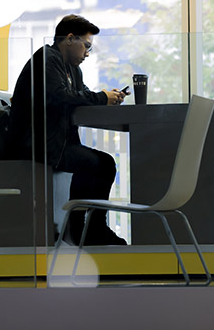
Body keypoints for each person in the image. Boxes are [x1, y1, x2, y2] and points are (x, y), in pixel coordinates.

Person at [9, 14, 127, 245]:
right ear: (70, 39)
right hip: (35, 143)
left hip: (57, 142)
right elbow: (60, 97)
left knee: (105, 163)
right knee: (93, 163)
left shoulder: (73, 69)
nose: (87, 53)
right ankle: (78, 228)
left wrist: (107, 97)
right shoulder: (46, 58)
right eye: (86, 45)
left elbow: (79, 96)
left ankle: (93, 227)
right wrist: (101, 97)